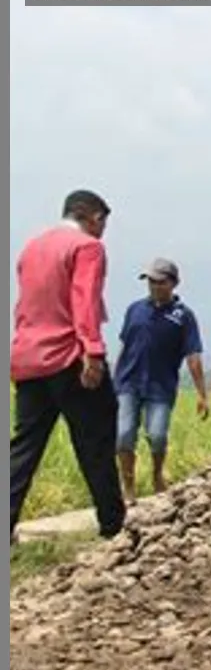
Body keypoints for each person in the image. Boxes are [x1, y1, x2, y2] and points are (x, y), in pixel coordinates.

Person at [10, 190, 129, 544]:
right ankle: (113, 526)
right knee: (96, 441)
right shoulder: (86, 247)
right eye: (103, 223)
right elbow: (84, 300)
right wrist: (92, 352)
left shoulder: (32, 247)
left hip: (29, 358)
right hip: (69, 357)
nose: (103, 231)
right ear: (92, 217)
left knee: (25, 447)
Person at [114, 258, 209, 502]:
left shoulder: (183, 317)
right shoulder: (135, 309)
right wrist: (113, 380)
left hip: (160, 386)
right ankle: (128, 486)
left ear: (173, 283)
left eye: (160, 282)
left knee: (157, 435)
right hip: (128, 382)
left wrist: (201, 393)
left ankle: (157, 474)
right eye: (151, 281)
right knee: (124, 434)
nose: (154, 286)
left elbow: (193, 355)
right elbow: (124, 346)